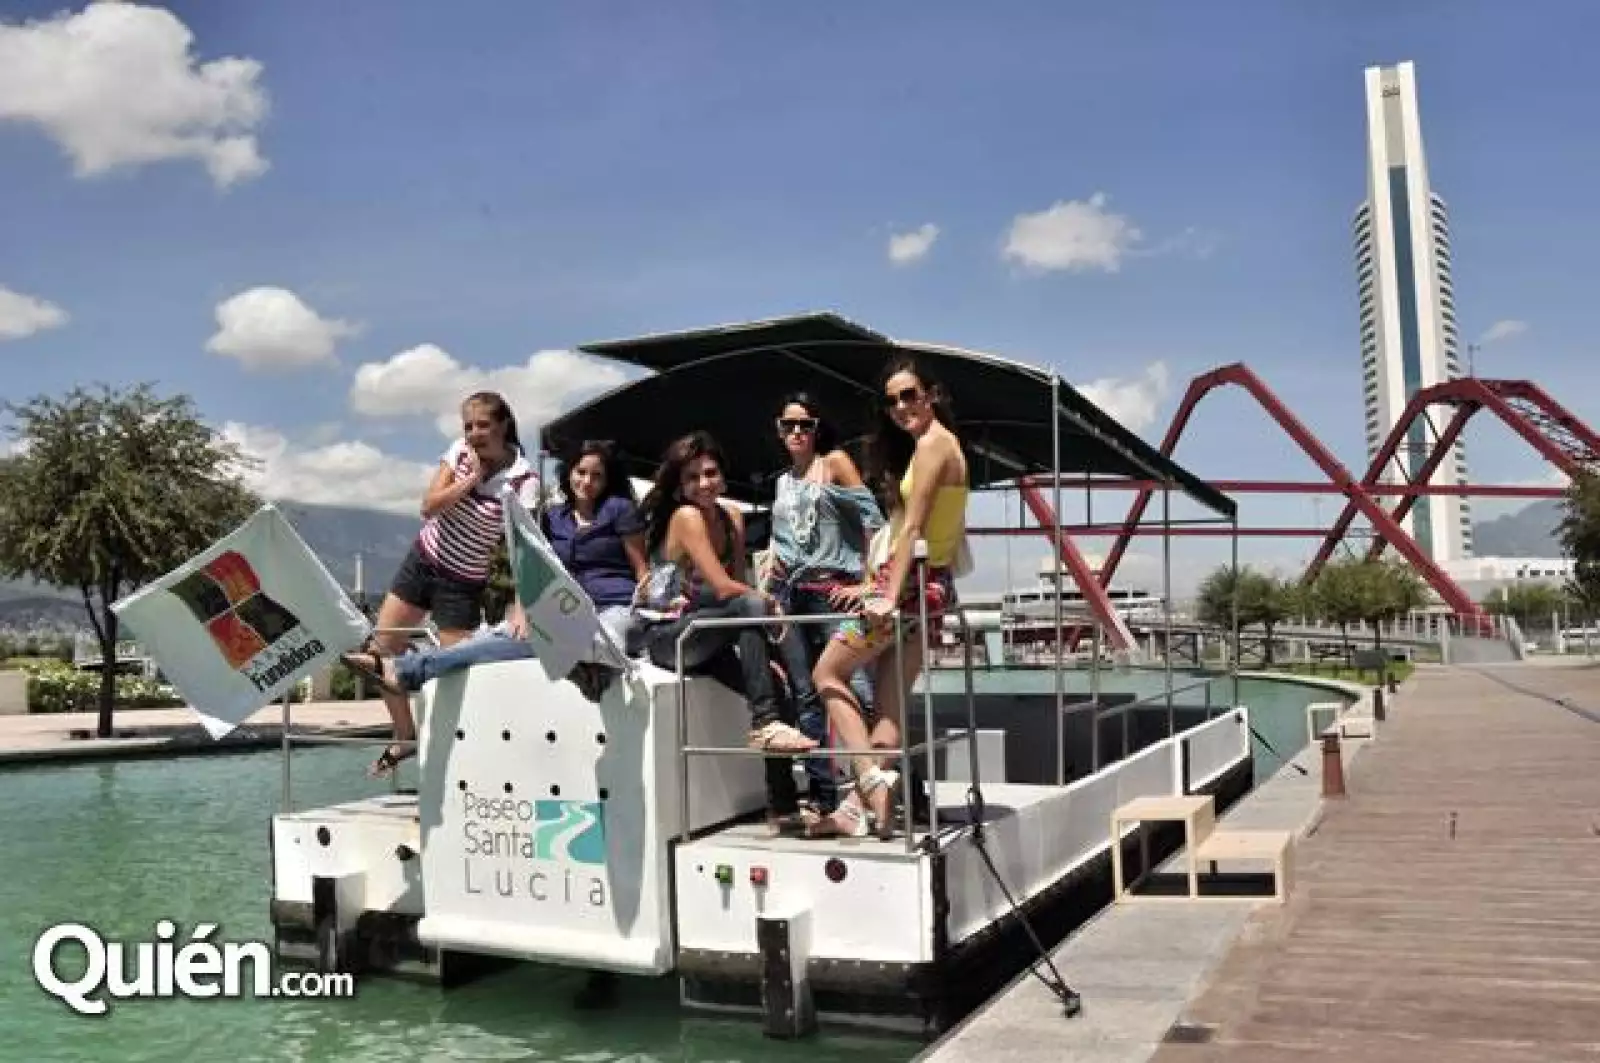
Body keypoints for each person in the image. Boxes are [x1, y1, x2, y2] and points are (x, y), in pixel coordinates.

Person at [808, 358, 968, 839]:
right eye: (892, 400)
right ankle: (863, 812)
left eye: (909, 395)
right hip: (931, 587)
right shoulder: (943, 445)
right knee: (890, 704)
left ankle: (870, 780)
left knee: (826, 672)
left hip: (909, 587)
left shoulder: (934, 446)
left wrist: (887, 595)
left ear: (931, 395)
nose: (900, 406)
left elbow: (914, 528)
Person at [635, 431, 816, 826]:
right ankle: (765, 722)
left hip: (711, 630)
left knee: (776, 686)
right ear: (679, 486)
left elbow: (735, 590)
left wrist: (762, 649)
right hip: (671, 637)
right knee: (752, 605)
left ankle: (783, 804)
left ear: (722, 474)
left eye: (710, 473)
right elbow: (723, 588)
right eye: (692, 477)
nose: (703, 484)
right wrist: (769, 606)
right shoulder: (686, 517)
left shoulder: (732, 517)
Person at [359, 391, 541, 777]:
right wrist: (472, 479)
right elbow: (429, 506)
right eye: (468, 426)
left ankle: (467, 752)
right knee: (380, 648)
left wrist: (523, 606)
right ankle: (405, 736)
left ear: (503, 426)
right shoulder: (460, 453)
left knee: (459, 667)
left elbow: (524, 547)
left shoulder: (523, 479)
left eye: (483, 425)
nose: (473, 433)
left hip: (461, 583)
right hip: (422, 562)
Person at [760, 392, 884, 814]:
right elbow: (781, 545)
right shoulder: (781, 482)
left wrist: (869, 583)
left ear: (817, 428)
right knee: (806, 696)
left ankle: (894, 788)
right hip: (792, 595)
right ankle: (822, 797)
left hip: (834, 591)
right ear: (779, 430)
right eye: (788, 424)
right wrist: (771, 589)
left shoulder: (835, 464)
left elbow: (875, 523)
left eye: (805, 424)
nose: (796, 432)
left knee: (860, 693)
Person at [542, 439, 649, 695]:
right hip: (570, 609)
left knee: (604, 639)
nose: (587, 481)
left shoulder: (619, 509)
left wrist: (647, 599)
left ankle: (591, 666)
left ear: (607, 480)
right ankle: (589, 667)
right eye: (581, 472)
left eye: (597, 475)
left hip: (616, 604)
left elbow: (641, 567)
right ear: (569, 472)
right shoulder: (553, 517)